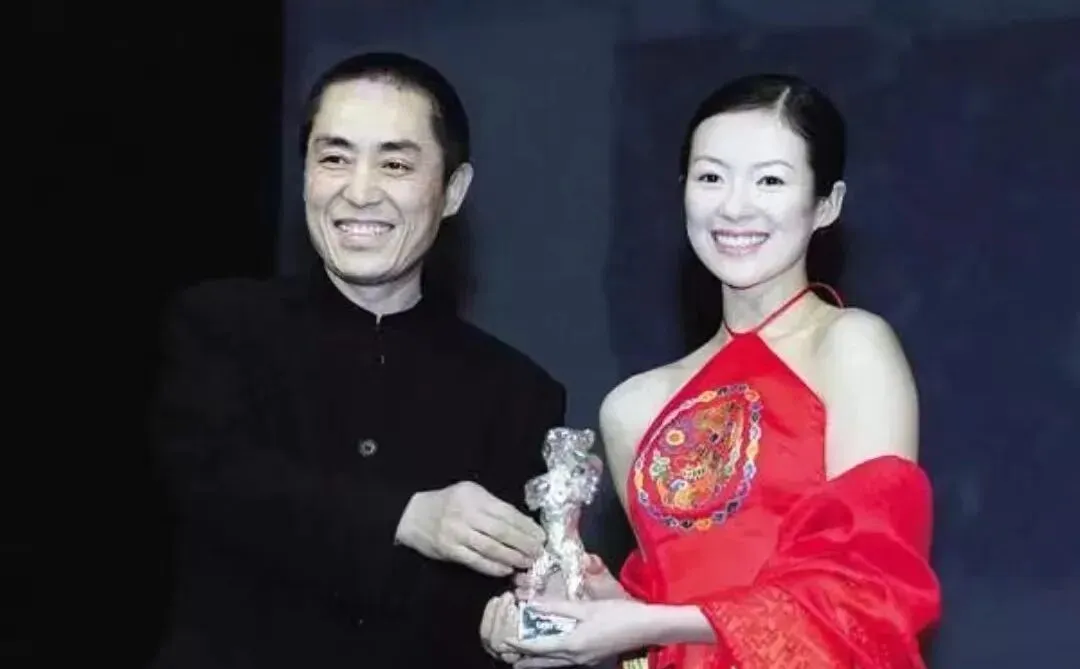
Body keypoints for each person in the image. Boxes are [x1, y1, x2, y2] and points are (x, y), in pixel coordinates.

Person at [480, 73, 941, 668]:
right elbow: (659, 647)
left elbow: (866, 594)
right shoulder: (634, 408)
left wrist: (641, 621)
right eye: (711, 177)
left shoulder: (851, 347)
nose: (734, 206)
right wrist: (583, 619)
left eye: (770, 180)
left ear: (826, 205)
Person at [150, 51, 566, 669]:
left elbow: (490, 609)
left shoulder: (518, 394)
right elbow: (215, 484)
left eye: (395, 164)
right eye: (334, 158)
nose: (360, 191)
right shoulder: (221, 325)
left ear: (453, 191)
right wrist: (407, 517)